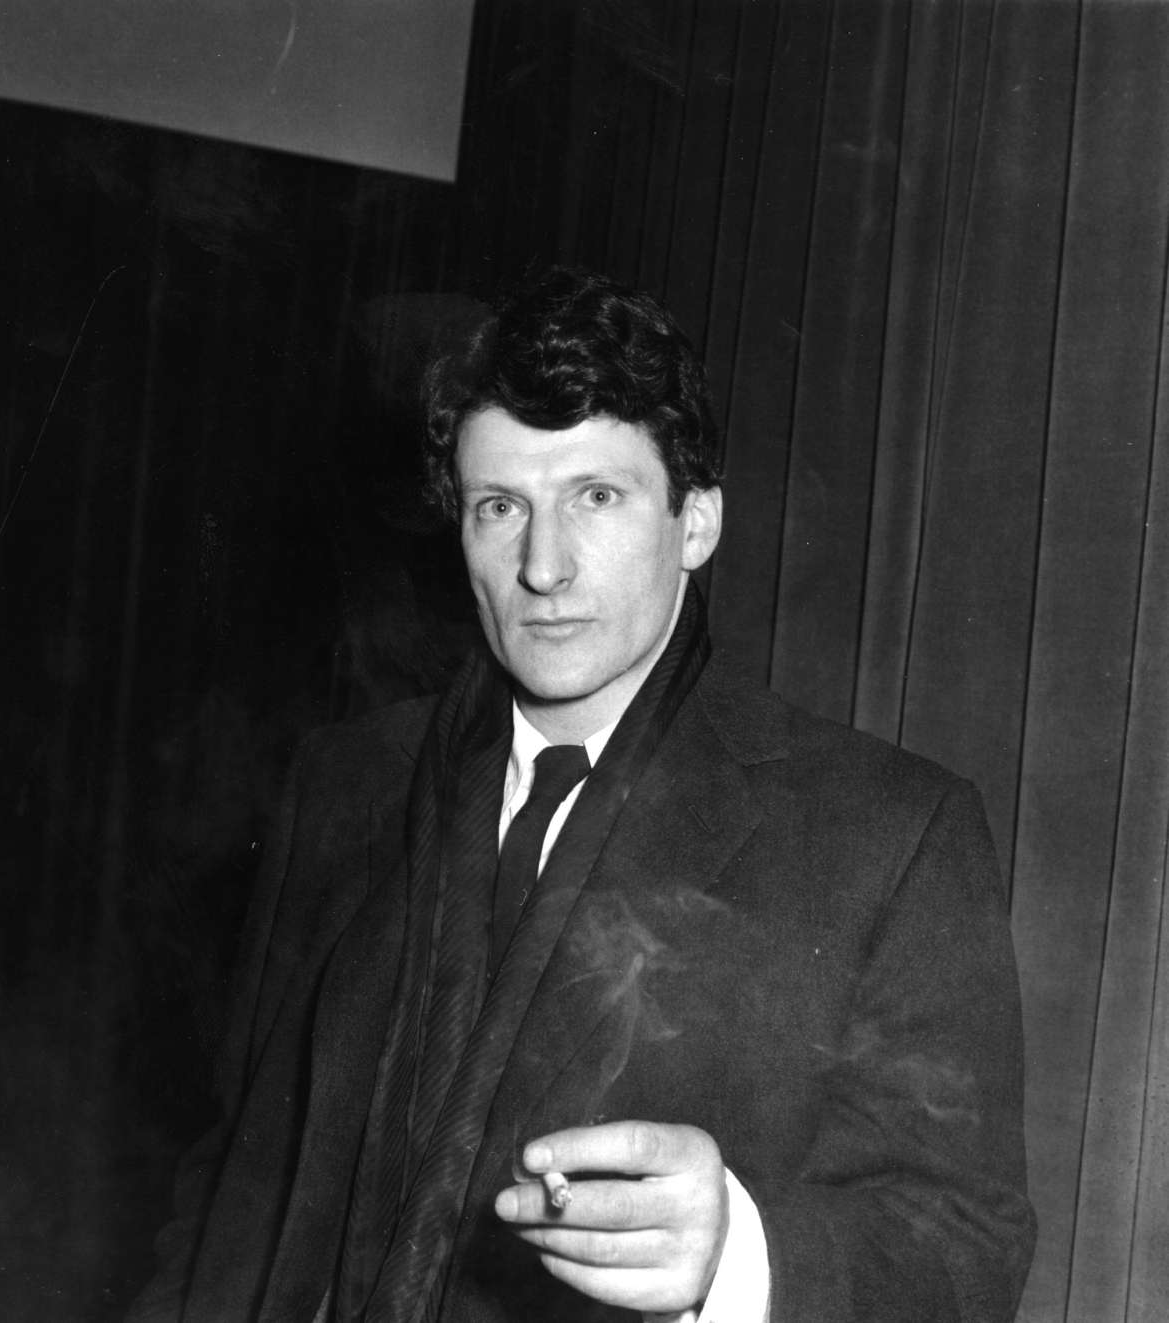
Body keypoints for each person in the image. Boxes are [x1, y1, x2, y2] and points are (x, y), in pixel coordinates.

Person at [128, 267, 1035, 1323]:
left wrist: (737, 1257)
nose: (543, 567)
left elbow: (966, 1251)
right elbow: (233, 1182)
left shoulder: (888, 833)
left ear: (696, 525)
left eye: (596, 497)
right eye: (500, 507)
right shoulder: (346, 781)